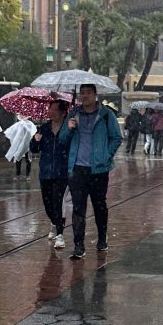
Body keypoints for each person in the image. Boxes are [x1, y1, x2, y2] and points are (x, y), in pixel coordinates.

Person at [60, 83, 122, 259]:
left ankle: (102, 238)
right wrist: (69, 129)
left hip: (98, 169)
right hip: (77, 168)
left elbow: (117, 138)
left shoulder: (106, 115)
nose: (84, 96)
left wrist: (105, 156)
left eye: (88, 93)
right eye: (82, 93)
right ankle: (79, 245)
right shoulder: (73, 114)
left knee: (99, 205)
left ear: (95, 95)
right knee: (78, 207)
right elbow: (63, 140)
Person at [31, 99, 71, 249]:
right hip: (46, 172)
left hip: (62, 172)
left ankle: (60, 234)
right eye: (50, 109)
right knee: (48, 204)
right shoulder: (44, 128)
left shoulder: (68, 127)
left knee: (58, 202)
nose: (50, 112)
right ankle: (54, 223)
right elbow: (34, 149)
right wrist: (35, 141)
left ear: (62, 112)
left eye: (54, 110)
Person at [4, 113, 37, 181]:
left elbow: (32, 132)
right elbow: (12, 132)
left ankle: (27, 175)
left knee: (28, 160)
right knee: (18, 159)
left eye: (24, 115)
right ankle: (18, 174)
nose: (23, 116)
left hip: (27, 145)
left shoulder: (29, 124)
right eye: (21, 115)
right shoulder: (18, 124)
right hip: (19, 144)